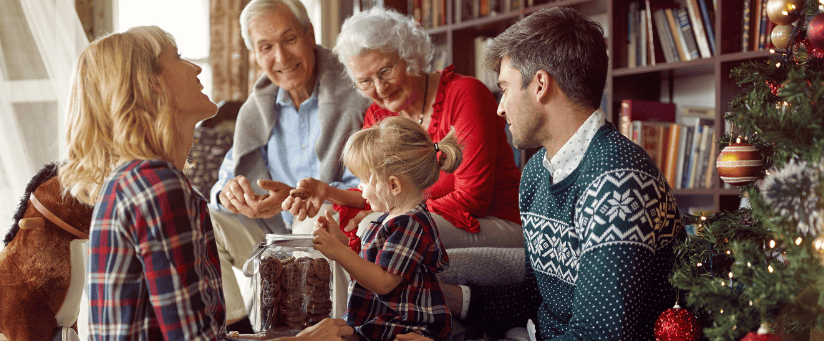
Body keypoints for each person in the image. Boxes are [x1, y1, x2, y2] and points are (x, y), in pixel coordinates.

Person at [58, 26, 354, 341]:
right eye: (178, 58)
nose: (196, 67)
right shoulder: (159, 187)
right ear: (150, 86)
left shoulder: (135, 180)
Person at [466, 7, 682, 340]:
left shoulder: (618, 181)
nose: (499, 106)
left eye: (505, 88)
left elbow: (597, 334)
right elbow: (536, 295)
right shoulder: (537, 171)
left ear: (540, 85)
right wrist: (450, 298)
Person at [284, 7, 523, 250]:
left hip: (491, 222)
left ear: (409, 55)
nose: (379, 88)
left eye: (385, 71)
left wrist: (385, 216)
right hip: (423, 216)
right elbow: (376, 192)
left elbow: (471, 200)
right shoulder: (378, 115)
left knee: (377, 229)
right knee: (315, 224)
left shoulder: (465, 94)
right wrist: (326, 192)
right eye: (365, 81)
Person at [207, 0, 372, 325]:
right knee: (206, 220)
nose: (281, 58)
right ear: (254, 53)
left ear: (310, 34)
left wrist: (306, 197)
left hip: (327, 225)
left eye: (289, 39)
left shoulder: (357, 92)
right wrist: (229, 193)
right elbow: (225, 181)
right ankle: (241, 328)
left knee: (315, 221)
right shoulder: (256, 109)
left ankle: (325, 330)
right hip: (267, 236)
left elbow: (372, 183)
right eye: (266, 47)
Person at [311, 116, 461, 340]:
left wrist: (338, 252)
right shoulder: (389, 219)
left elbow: (383, 282)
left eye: (363, 180)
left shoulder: (411, 224)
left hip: (405, 326)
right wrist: (341, 241)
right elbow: (370, 264)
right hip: (378, 320)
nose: (359, 187)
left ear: (393, 185)